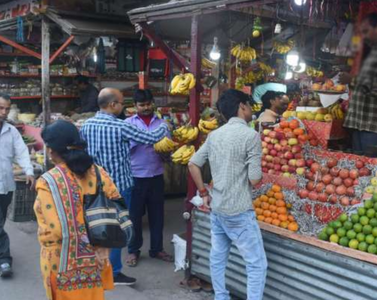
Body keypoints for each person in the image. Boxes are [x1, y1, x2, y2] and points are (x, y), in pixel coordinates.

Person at [80, 88, 169, 285]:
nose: (123, 106)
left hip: (95, 186)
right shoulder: (120, 127)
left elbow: (82, 151)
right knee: (118, 230)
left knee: (99, 228)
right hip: (119, 187)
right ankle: (114, 272)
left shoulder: (86, 125)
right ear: (112, 105)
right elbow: (152, 138)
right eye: (121, 103)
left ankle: (99, 268)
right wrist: (165, 126)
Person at [188, 89, 267, 300]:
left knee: (218, 258)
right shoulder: (251, 136)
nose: (251, 109)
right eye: (249, 105)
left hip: (218, 208)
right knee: (257, 264)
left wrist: (204, 192)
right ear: (242, 106)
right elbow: (254, 179)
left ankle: (221, 297)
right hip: (239, 210)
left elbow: (193, 164)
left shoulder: (215, 135)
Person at [34, 120, 116, 300]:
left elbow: (58, 229)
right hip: (97, 255)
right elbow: (116, 204)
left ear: (53, 150)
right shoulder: (98, 172)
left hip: (61, 261)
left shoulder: (48, 181)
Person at [339, 12, 377, 157]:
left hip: (376, 127)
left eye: (366, 31)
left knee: (372, 171)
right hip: (361, 124)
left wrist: (353, 80)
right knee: (359, 172)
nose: (364, 36)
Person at [124, 89, 173, 267]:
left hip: (156, 175)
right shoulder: (127, 124)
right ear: (134, 106)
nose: (145, 108)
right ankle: (133, 251)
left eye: (148, 104)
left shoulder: (163, 124)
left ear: (153, 103)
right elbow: (123, 150)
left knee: (157, 215)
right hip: (135, 176)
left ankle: (157, 249)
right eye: (141, 105)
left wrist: (168, 154)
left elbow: (167, 150)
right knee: (134, 217)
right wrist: (142, 140)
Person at [0, 93, 35, 278]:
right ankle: (4, 260)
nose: (4, 112)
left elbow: (21, 151)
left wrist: (28, 171)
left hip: (5, 186)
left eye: (7, 108)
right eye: (0, 108)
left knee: (1, 220)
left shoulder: (11, 131)